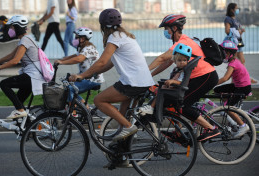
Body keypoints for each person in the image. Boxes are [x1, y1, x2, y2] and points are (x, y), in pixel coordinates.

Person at [69, 9, 155, 142]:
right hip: (141, 82)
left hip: (133, 83)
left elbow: (102, 61)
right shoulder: (123, 36)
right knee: (123, 114)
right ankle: (122, 151)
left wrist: (82, 74)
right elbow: (108, 64)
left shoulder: (114, 37)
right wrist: (87, 75)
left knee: (99, 100)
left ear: (103, 26)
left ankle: (128, 127)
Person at [145, 14, 220, 142]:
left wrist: (144, 72)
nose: (165, 32)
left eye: (166, 29)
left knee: (183, 105)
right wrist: (150, 74)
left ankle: (211, 129)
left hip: (206, 76)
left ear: (174, 28)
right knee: (173, 101)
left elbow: (162, 58)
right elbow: (167, 62)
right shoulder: (179, 44)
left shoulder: (184, 42)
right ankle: (178, 132)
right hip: (196, 77)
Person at [0, 15, 45, 119]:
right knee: (18, 101)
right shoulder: (25, 39)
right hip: (33, 76)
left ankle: (21, 111)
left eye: (12, 27)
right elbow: (11, 55)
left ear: (18, 27)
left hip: (33, 76)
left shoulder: (25, 40)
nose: (10, 29)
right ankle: (27, 128)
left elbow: (15, 60)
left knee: (4, 84)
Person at [54, 27, 105, 108]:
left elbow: (78, 59)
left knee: (70, 89)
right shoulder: (83, 48)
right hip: (85, 77)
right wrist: (60, 60)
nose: (74, 39)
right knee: (66, 85)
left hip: (92, 79)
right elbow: (75, 56)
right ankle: (86, 108)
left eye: (76, 37)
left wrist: (62, 63)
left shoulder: (88, 48)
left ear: (82, 39)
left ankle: (73, 112)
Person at [139, 43, 191, 115]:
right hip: (173, 89)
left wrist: (172, 81)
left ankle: (151, 107)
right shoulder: (176, 69)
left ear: (187, 61)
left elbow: (182, 82)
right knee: (157, 89)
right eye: (179, 60)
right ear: (175, 61)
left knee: (160, 91)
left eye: (184, 60)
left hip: (177, 91)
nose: (182, 62)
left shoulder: (183, 72)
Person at [214, 40, 251, 138]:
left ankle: (243, 125)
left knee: (228, 107)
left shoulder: (233, 64)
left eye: (224, 52)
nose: (222, 54)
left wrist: (212, 83)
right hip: (239, 86)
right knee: (217, 90)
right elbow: (232, 78)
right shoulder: (234, 62)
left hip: (243, 88)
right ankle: (230, 111)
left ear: (229, 53)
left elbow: (225, 78)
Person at [224, 3, 256, 83]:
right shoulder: (228, 19)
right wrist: (237, 31)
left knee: (242, 61)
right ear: (232, 9)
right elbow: (227, 31)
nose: (238, 10)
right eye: (236, 8)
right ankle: (234, 80)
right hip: (233, 43)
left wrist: (241, 31)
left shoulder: (235, 19)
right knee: (233, 62)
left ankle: (245, 78)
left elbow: (237, 33)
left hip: (238, 42)